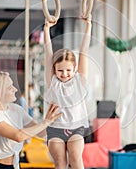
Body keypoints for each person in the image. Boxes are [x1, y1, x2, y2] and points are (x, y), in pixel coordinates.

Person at [0, 71, 62, 169]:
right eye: (10, 87)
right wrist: (45, 122)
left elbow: (40, 132)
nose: (15, 89)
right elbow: (18, 136)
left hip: (15, 165)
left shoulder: (16, 109)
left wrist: (56, 122)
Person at [44, 16, 92, 169]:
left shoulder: (80, 80)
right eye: (60, 70)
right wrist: (46, 30)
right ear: (54, 70)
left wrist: (88, 26)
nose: (64, 74)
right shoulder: (53, 82)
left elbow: (84, 51)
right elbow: (48, 53)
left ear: (75, 68)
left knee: (76, 158)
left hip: (76, 128)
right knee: (60, 163)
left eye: (68, 70)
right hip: (55, 128)